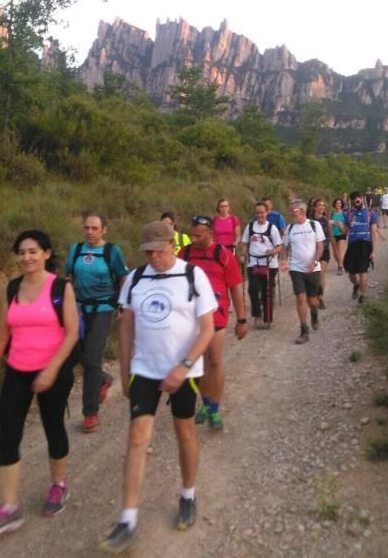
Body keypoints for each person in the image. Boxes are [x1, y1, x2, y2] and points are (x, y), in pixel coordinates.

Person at [99, 221, 216, 553]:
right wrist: (124, 372)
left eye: (159, 251)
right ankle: (127, 520)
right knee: (137, 437)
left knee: (185, 432)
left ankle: (188, 495)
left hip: (185, 369)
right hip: (145, 369)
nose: (153, 257)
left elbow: (207, 328)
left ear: (173, 246)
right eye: (147, 252)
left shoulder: (193, 276)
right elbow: (126, 329)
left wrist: (185, 366)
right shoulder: (135, 279)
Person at [0, 230, 79, 537]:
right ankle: (9, 508)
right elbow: (1, 335)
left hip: (53, 371)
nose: (27, 257)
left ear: (46, 254)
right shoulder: (10, 289)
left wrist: (51, 370)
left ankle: (58, 486)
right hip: (17, 371)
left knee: (53, 428)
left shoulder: (61, 287)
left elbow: (72, 332)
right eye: (21, 252)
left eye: (33, 251)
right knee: (8, 435)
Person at [180, 216, 247, 431]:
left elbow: (236, 287)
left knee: (215, 361)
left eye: (198, 235)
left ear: (211, 234)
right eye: (192, 233)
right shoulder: (185, 254)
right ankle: (206, 403)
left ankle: (215, 408)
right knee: (199, 363)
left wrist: (241, 319)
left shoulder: (223, 255)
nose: (193, 238)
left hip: (216, 316)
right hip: (191, 318)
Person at [65, 213, 129, 433]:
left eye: (94, 228)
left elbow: (123, 277)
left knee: (92, 356)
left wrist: (123, 303)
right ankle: (103, 379)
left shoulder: (112, 252)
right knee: (79, 355)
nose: (89, 232)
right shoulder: (76, 250)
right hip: (79, 309)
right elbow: (70, 279)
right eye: (86, 228)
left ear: (104, 230)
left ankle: (90, 412)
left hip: (103, 308)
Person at [281, 199, 325, 345]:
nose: (291, 213)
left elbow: (320, 247)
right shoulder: (290, 228)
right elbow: (285, 247)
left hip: (313, 268)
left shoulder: (314, 225)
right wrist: (284, 260)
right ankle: (304, 330)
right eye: (290, 210)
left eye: (293, 210)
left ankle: (314, 314)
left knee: (312, 301)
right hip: (296, 268)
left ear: (302, 210)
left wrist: (315, 261)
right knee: (300, 298)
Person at [240, 202, 282, 329]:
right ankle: (257, 316)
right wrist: (243, 254)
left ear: (266, 213)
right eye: (257, 213)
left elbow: (279, 246)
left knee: (266, 292)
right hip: (253, 263)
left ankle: (267, 318)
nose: (259, 215)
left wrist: (273, 251)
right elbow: (244, 243)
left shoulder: (272, 228)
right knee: (253, 290)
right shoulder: (250, 226)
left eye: (262, 212)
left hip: (269, 264)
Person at [344, 192, 380, 305]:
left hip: (365, 244)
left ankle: (362, 296)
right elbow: (344, 231)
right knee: (350, 272)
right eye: (354, 200)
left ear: (363, 199)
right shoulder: (349, 214)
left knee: (362, 271)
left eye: (358, 199)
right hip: (352, 244)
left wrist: (373, 251)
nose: (356, 201)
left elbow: (374, 232)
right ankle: (356, 284)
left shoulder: (370, 213)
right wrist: (337, 223)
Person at [310, 198, 332, 309]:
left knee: (321, 273)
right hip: (312, 250)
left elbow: (331, 236)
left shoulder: (325, 220)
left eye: (323, 205)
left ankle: (320, 297)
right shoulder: (309, 221)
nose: (322, 207)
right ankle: (314, 294)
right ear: (314, 207)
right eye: (319, 205)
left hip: (325, 249)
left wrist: (336, 252)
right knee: (314, 275)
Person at [330, 198, 348, 276]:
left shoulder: (344, 214)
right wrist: (332, 223)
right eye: (337, 203)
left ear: (342, 205)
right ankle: (341, 263)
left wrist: (340, 224)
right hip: (333, 234)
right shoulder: (332, 213)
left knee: (340, 250)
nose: (338, 205)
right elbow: (329, 223)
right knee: (335, 253)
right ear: (334, 204)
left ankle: (340, 267)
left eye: (340, 203)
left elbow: (347, 224)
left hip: (342, 234)